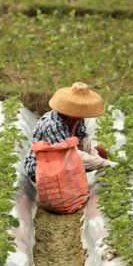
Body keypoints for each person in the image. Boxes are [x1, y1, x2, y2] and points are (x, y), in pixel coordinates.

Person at [24, 82, 117, 213]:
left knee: (100, 152)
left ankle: (73, 185)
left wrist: (99, 158)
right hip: (42, 166)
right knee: (90, 161)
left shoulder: (76, 118)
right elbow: (71, 155)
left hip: (63, 159)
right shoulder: (52, 124)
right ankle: (64, 192)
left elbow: (84, 141)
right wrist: (102, 163)